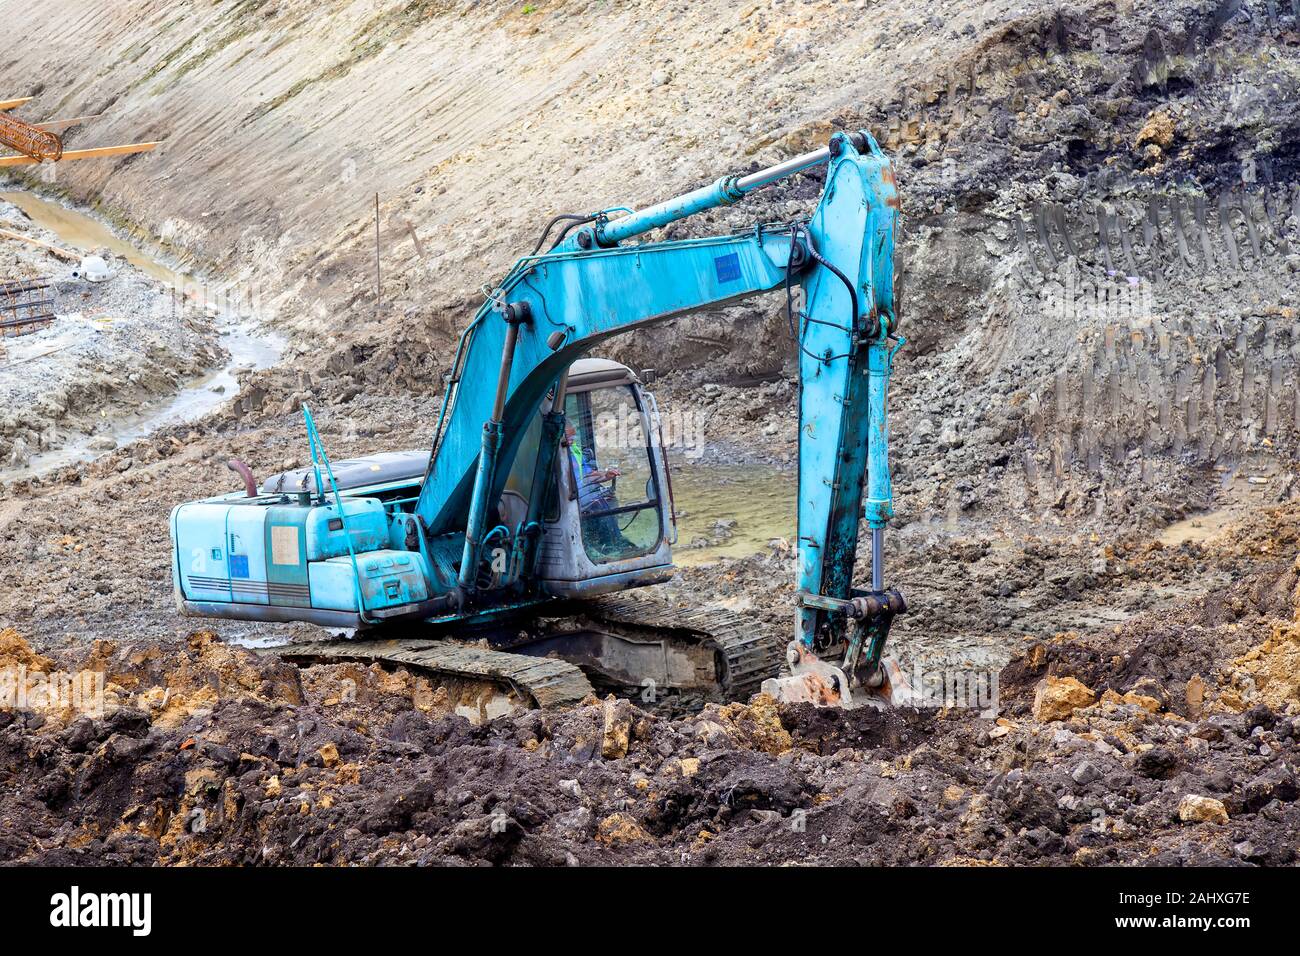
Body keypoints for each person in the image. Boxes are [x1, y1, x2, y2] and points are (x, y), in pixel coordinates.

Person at [564, 420, 624, 554]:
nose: (572, 441)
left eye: (574, 437)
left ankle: (615, 543)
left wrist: (606, 476)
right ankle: (610, 546)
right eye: (569, 438)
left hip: (582, 498)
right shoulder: (551, 456)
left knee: (606, 501)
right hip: (566, 501)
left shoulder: (575, 451)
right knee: (598, 505)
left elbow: (588, 475)